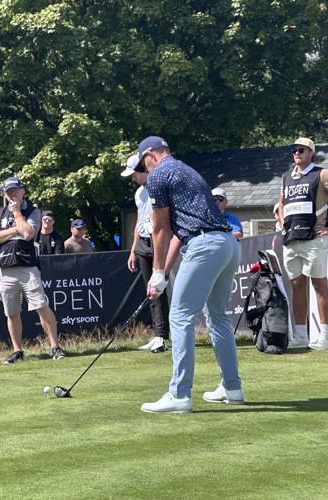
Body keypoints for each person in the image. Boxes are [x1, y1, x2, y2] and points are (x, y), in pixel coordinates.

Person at [135, 136, 244, 414]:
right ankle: (232, 387)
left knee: (180, 315)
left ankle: (179, 394)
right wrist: (161, 273)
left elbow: (160, 230)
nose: (144, 170)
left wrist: (158, 272)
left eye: (142, 164)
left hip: (205, 244)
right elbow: (177, 234)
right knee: (217, 316)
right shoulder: (187, 170)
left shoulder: (157, 175)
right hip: (227, 244)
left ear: (150, 155)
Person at [277, 137, 328, 350]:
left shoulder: (323, 174)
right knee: (296, 286)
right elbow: (281, 203)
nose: (296, 153)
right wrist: (282, 223)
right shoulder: (286, 177)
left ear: (311, 152)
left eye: (301, 149)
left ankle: (324, 338)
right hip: (291, 239)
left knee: (319, 285)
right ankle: (300, 336)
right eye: (293, 150)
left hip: (314, 239)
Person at [0, 176, 65, 363]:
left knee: (40, 305)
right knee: (11, 312)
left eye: (15, 190)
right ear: (4, 195)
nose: (12, 194)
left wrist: (16, 215)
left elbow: (29, 233)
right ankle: (17, 351)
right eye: (8, 192)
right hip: (5, 268)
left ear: (23, 191)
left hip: (27, 266)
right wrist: (15, 231)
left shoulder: (33, 211)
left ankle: (55, 347)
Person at [122, 153, 169, 353]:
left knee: (159, 288)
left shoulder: (159, 187)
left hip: (158, 241)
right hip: (142, 242)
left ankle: (162, 335)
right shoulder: (139, 193)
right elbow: (139, 221)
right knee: (149, 290)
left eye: (134, 174)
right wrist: (133, 250)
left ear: (142, 169)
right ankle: (156, 334)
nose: (133, 178)